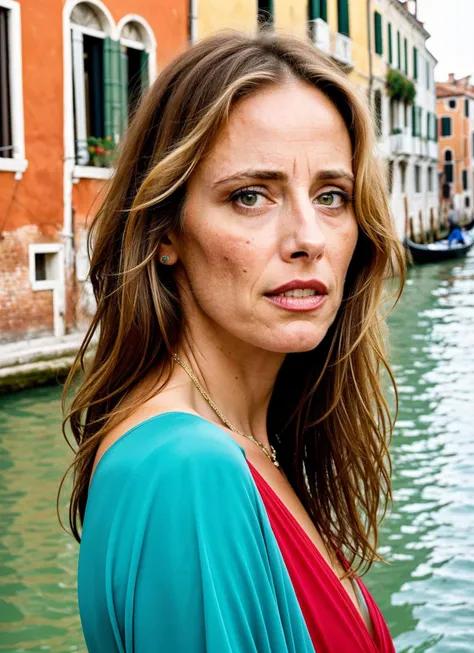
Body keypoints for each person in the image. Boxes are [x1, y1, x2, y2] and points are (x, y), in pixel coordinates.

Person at [60, 31, 405, 653]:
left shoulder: (248, 447)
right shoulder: (187, 470)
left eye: (332, 196)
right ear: (164, 229)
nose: (309, 237)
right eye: (250, 196)